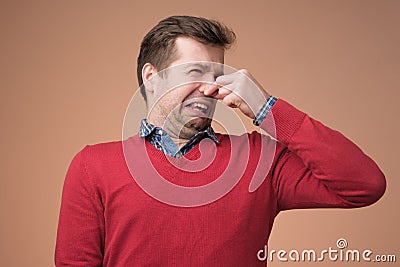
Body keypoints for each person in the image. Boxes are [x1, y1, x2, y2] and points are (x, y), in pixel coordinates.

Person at [55, 15, 386, 266]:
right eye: (195, 72)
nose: (209, 88)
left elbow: (364, 185)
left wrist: (267, 108)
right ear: (151, 77)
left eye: (217, 76)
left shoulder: (260, 160)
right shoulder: (92, 166)